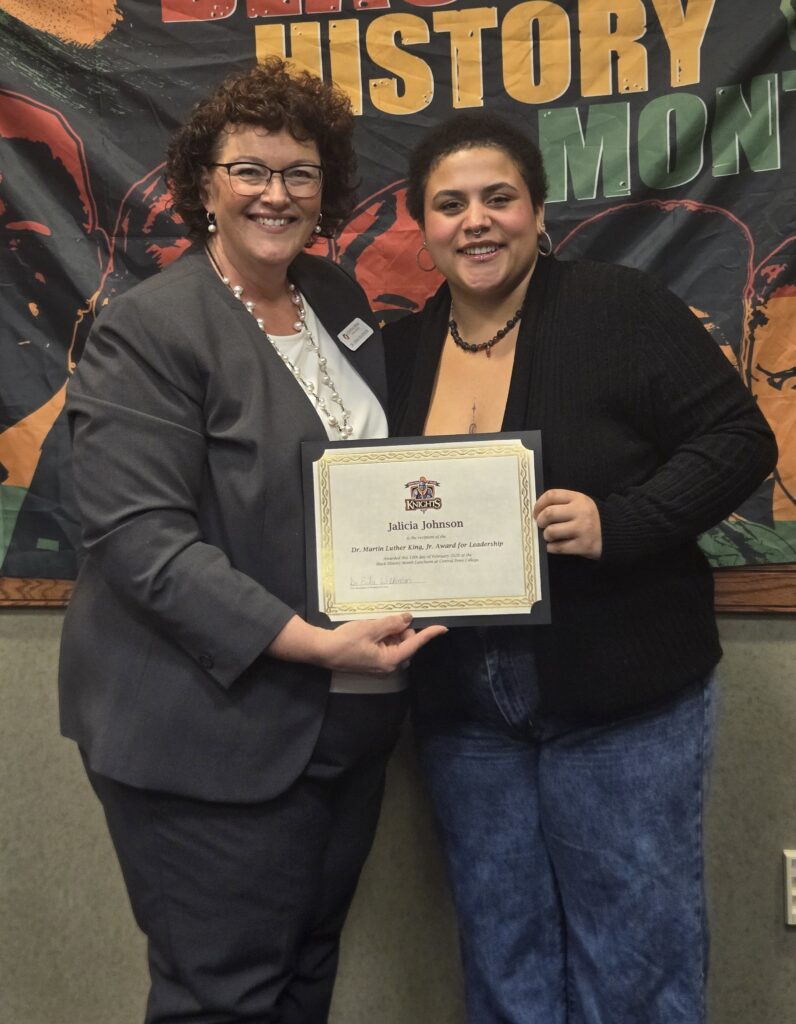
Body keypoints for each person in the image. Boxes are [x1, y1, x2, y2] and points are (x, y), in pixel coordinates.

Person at [59, 59, 445, 1024]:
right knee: (222, 997)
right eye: (250, 170)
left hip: (345, 724)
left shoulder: (337, 299)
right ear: (203, 186)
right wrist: (314, 643)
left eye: (301, 173)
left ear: (328, 191)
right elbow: (140, 540)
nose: (277, 193)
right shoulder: (150, 329)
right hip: (211, 733)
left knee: (304, 973)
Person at [384, 112, 777, 1024]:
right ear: (423, 225)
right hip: (463, 709)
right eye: (450, 205)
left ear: (536, 208)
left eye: (498, 198)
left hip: (623, 698)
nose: (476, 221)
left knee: (634, 956)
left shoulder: (619, 306)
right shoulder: (399, 351)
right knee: (502, 947)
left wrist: (624, 520)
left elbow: (739, 439)